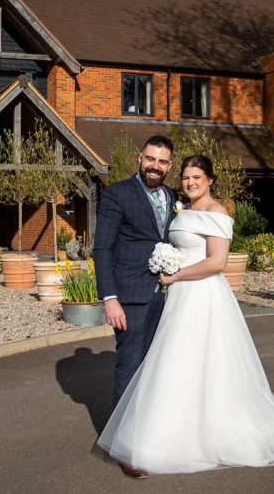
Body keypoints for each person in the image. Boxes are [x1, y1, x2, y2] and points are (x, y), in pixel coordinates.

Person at [96, 154, 274, 477]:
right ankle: (163, 432)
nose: (190, 182)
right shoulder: (182, 208)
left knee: (206, 363)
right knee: (174, 365)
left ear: (210, 180)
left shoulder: (217, 212)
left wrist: (175, 274)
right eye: (185, 177)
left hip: (203, 296)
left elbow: (217, 262)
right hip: (176, 298)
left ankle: (209, 432)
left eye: (197, 176)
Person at [92, 135, 177, 416]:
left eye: (162, 161)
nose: (155, 166)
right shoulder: (117, 193)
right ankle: (123, 442)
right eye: (150, 158)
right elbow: (102, 248)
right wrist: (109, 298)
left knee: (160, 368)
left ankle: (150, 430)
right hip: (130, 298)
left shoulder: (174, 197)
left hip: (168, 298)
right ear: (139, 158)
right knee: (130, 366)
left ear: (170, 166)